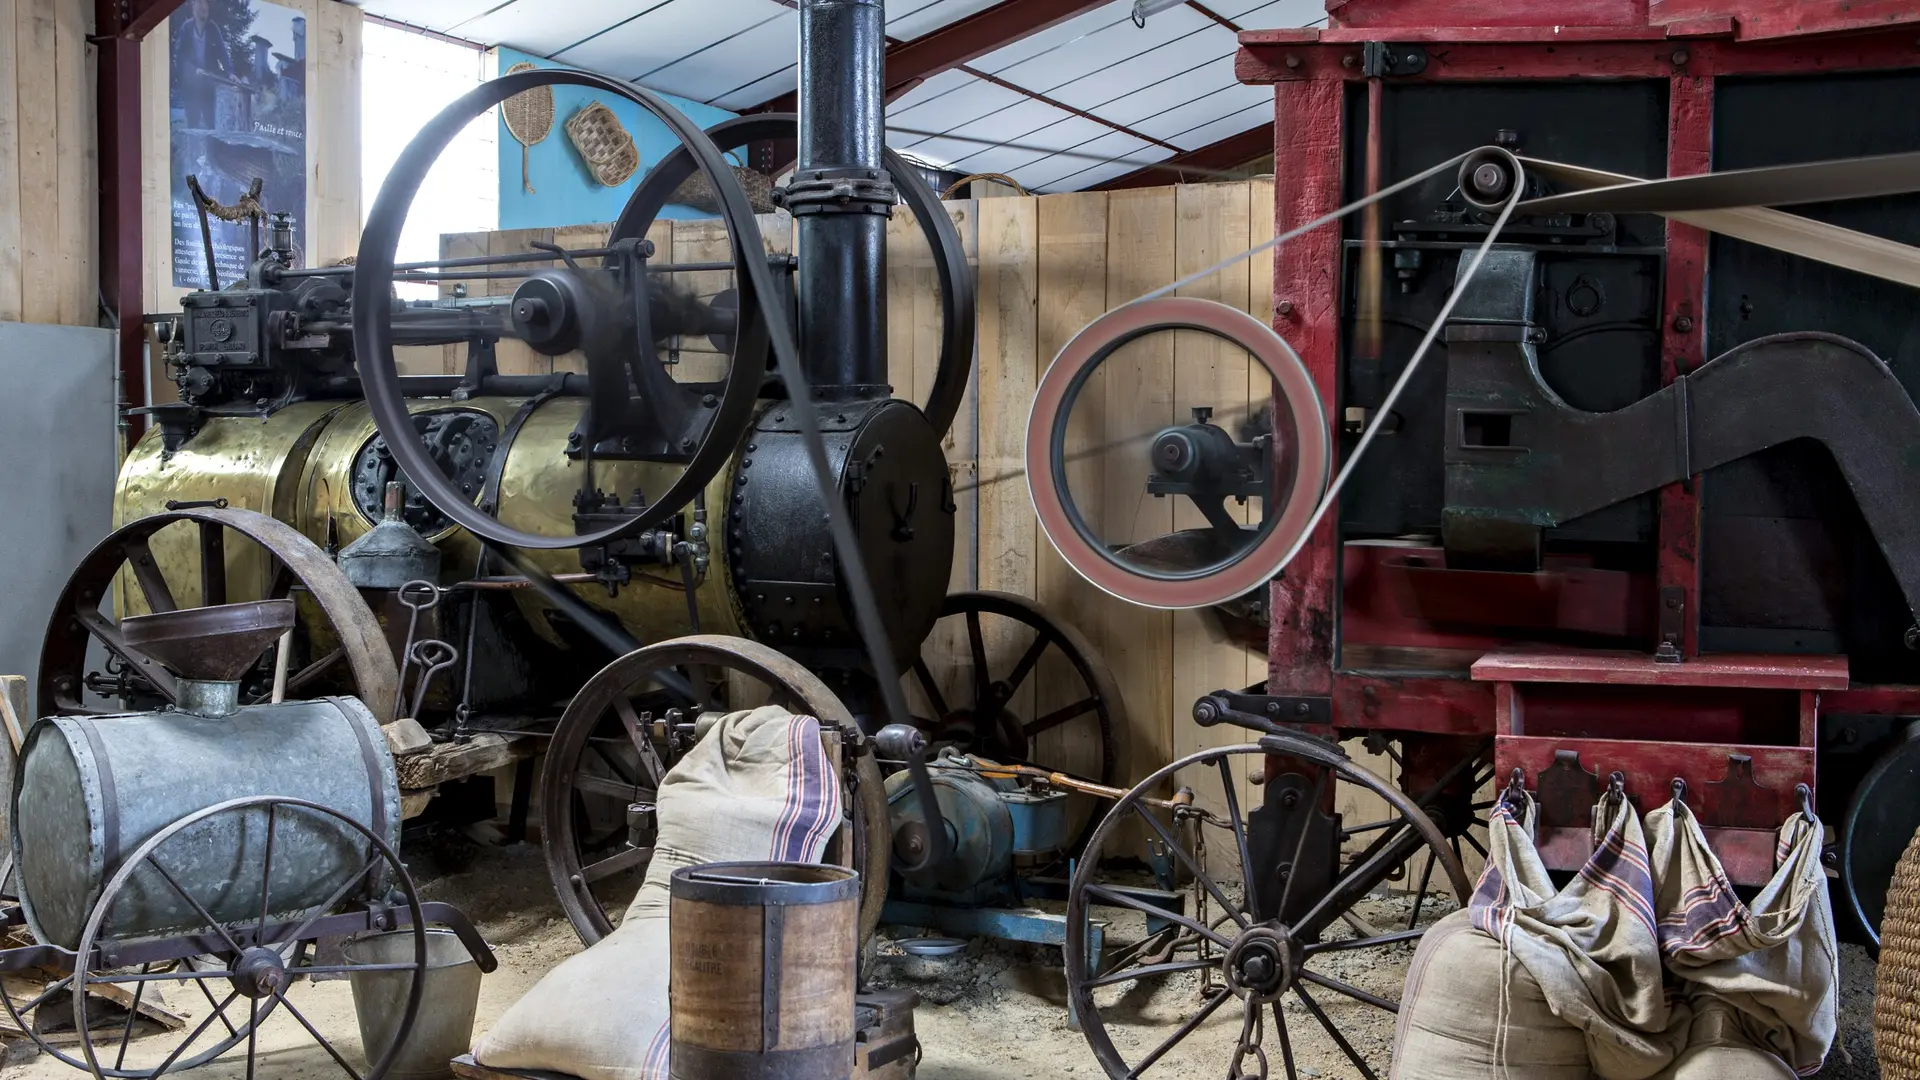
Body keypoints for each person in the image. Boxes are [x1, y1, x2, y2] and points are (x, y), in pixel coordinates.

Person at [173, 0, 230, 130]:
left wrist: (230, 72)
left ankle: (211, 150)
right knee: (193, 124)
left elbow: (222, 52)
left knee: (210, 124)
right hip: (191, 86)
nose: (203, 7)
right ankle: (193, 150)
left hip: (208, 85)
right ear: (193, 8)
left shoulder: (213, 28)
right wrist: (194, 70)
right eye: (200, 3)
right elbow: (180, 56)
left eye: (205, 4)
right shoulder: (186, 28)